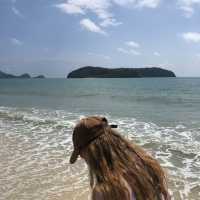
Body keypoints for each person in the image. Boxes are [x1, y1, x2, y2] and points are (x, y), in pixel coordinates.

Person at [69, 116, 170, 200]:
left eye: (80, 153)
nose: (81, 157)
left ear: (91, 151)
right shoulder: (148, 164)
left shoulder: (106, 191)